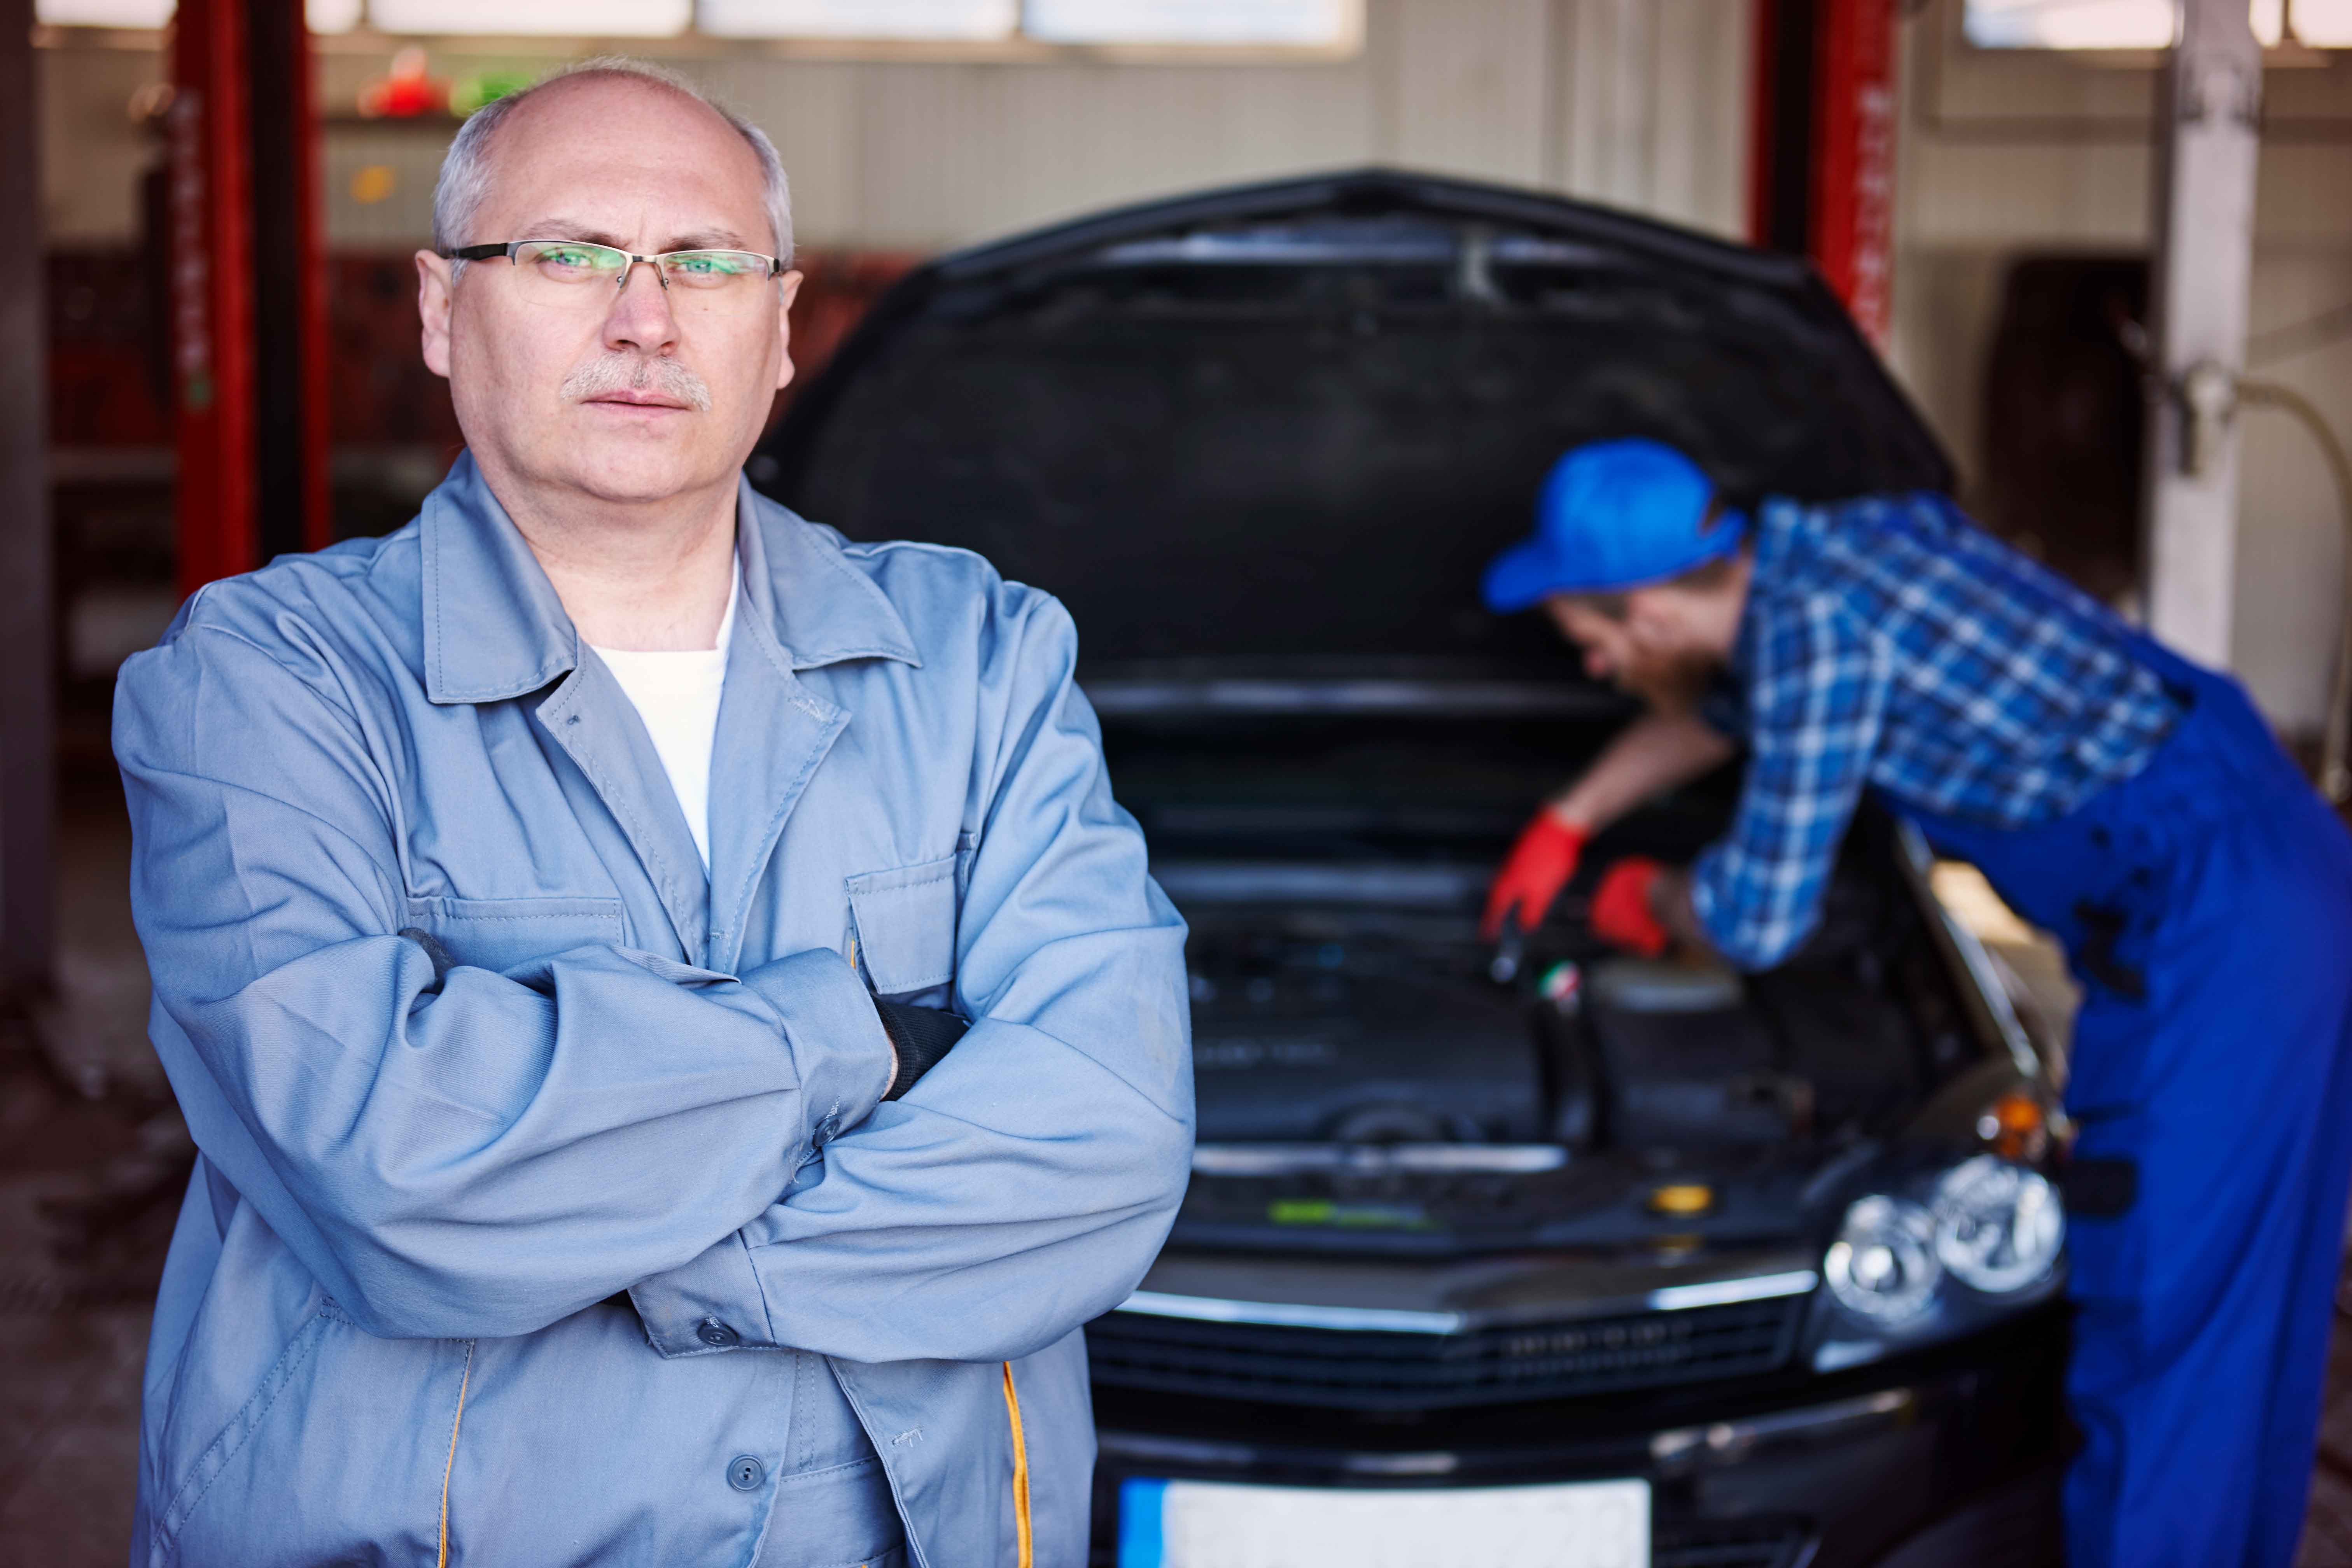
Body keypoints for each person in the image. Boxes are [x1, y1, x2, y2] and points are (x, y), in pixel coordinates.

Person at [114, 59, 1191, 1568]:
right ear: (440, 310)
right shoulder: (267, 684)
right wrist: (852, 1041)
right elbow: (379, 1162)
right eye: (565, 256)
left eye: (705, 262)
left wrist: (645, 1243)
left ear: (781, 329)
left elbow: (1109, 1134)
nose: (644, 317)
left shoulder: (979, 657)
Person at [1479, 436, 2352, 1567]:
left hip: (2219, 909)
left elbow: (1756, 919)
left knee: (2168, 1302)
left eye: (1591, 644)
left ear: (1645, 611)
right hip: (2259, 864)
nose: (1596, 670)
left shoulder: (1816, 636)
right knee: (2247, 1304)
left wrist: (1647, 898)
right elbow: (1726, 705)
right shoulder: (1824, 552)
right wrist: (1571, 818)